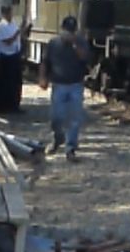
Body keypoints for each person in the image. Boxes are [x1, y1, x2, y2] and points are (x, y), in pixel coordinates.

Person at [39, 15, 93, 160]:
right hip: (59, 84)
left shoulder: (81, 42)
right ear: (61, 30)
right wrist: (43, 78)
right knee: (56, 117)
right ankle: (58, 137)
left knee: (74, 118)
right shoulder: (53, 43)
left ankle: (71, 148)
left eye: (72, 31)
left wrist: (75, 44)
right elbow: (45, 61)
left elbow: (85, 58)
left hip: (76, 84)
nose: (69, 34)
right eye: (67, 31)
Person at [0, 6, 25, 113]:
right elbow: (7, 41)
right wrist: (18, 32)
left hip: (15, 55)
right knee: (5, 83)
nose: (10, 15)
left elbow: (17, 39)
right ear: (4, 14)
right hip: (5, 57)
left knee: (16, 82)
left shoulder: (13, 25)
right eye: (8, 13)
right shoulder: (0, 27)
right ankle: (3, 106)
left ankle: (15, 105)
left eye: (11, 12)